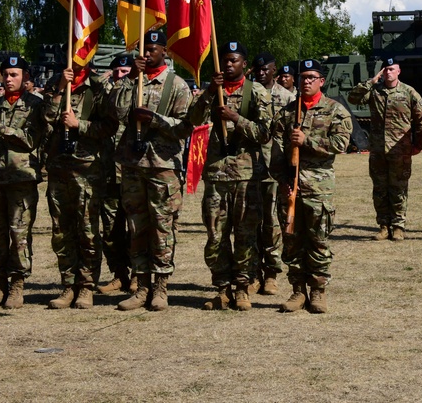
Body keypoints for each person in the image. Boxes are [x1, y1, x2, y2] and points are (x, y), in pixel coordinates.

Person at [109, 29, 192, 311]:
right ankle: (140, 285)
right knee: (137, 228)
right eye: (142, 49)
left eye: (152, 49)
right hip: (133, 167)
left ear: (164, 52)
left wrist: (154, 119)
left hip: (163, 168)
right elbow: (115, 112)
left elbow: (183, 127)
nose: (146, 54)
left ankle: (160, 288)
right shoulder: (133, 82)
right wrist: (131, 78)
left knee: (162, 228)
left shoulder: (177, 85)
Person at [189, 42, 272, 312]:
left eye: (234, 60)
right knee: (216, 235)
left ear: (244, 65)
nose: (228, 65)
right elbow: (192, 119)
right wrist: (210, 92)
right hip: (216, 175)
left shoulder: (256, 92)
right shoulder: (213, 92)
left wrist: (236, 118)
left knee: (246, 235)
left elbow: (265, 133)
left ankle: (242, 288)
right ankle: (222, 289)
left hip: (246, 176)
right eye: (224, 60)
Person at [270, 59, 352, 313]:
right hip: (290, 188)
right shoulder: (286, 112)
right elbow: (274, 151)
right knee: (291, 241)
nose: (306, 81)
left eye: (311, 77)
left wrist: (308, 140)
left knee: (318, 240)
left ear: (321, 81)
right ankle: (297, 291)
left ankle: (318, 291)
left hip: (318, 188)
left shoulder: (335, 110)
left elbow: (341, 144)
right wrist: (282, 180)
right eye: (302, 77)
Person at [42, 59, 117, 309]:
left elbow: (109, 126)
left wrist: (79, 125)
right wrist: (61, 88)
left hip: (87, 169)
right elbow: (46, 119)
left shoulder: (98, 87)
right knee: (61, 230)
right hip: (58, 167)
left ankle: (85, 287)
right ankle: (67, 285)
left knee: (87, 230)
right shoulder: (55, 83)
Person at [0, 56, 47, 310]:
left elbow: (31, 141)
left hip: (21, 179)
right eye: (5, 74)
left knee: (19, 234)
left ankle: (17, 286)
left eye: (14, 74)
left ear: (25, 76)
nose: (8, 79)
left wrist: (0, 127)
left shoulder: (36, 105)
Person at [347, 57, 422, 241]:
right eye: (385, 69)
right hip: (378, 150)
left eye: (391, 69)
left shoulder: (409, 92)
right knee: (380, 188)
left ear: (399, 71)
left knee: (398, 188)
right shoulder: (374, 91)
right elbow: (353, 98)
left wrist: (418, 144)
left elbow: (421, 120)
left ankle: (398, 226)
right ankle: (383, 226)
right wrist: (370, 81)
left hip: (400, 150)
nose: (388, 72)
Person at [251, 52, 295, 296]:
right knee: (250, 223)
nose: (261, 72)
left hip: (275, 168)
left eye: (265, 69)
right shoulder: (248, 93)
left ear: (274, 70)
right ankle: (252, 274)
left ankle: (271, 274)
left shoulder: (288, 96)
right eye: (257, 69)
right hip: (248, 166)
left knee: (272, 224)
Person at [96, 54, 134, 295]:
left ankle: (140, 276)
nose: (121, 74)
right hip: (109, 171)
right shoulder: (105, 94)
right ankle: (119, 274)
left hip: (133, 171)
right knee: (111, 229)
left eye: (126, 70)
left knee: (136, 228)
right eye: (117, 71)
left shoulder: (138, 93)